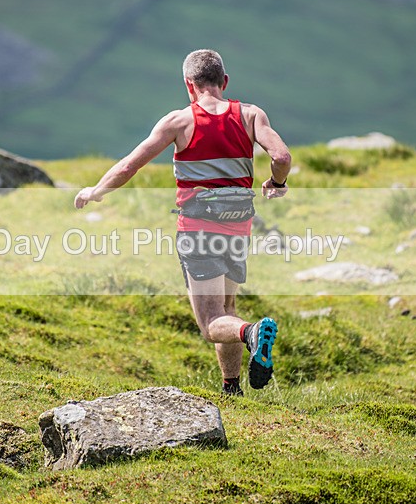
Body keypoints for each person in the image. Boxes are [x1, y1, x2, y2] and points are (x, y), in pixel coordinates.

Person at [75, 49, 291, 394]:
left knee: (210, 322)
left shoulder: (178, 121)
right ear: (225, 81)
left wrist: (96, 190)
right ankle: (231, 389)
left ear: (189, 85)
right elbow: (281, 156)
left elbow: (130, 165)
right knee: (227, 307)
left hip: (199, 230)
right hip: (238, 228)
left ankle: (251, 333)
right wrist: (277, 183)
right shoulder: (251, 115)